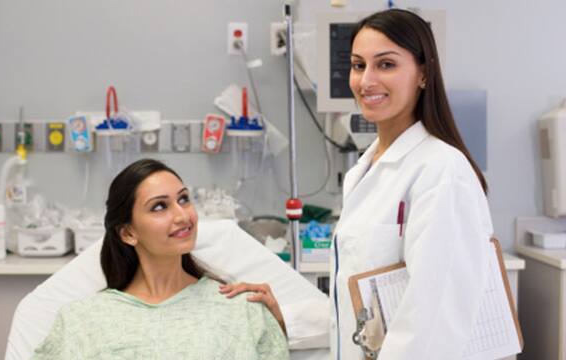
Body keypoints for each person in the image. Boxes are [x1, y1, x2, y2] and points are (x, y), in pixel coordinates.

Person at [220, 9, 493, 360]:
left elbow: (434, 315)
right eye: (358, 65)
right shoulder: (364, 170)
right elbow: (361, 303)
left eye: (386, 65)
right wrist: (285, 315)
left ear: (423, 74)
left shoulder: (441, 169)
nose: (366, 81)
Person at [32, 159, 289, 359]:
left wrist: (277, 323)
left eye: (184, 199)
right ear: (128, 233)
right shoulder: (81, 321)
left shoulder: (241, 308)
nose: (182, 215)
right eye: (159, 206)